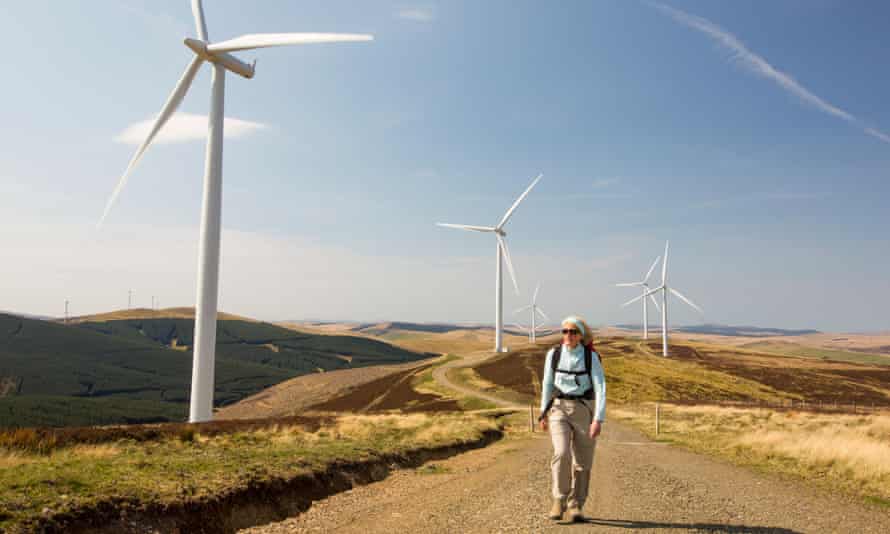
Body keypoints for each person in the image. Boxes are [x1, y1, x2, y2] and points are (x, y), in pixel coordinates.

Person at [538, 315, 606, 522]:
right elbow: (547, 384)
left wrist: (598, 419)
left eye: (573, 332)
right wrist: (543, 413)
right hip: (558, 408)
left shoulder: (590, 357)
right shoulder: (554, 354)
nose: (568, 335)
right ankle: (559, 500)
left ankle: (576, 504)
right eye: (565, 331)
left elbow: (600, 387)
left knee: (583, 462)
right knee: (561, 453)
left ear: (581, 335)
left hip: (584, 409)